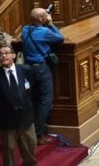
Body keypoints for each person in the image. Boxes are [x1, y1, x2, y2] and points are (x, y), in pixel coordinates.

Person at [0, 46, 36, 166]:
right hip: (7, 121)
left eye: (7, 53)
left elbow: (32, 90)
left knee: (29, 150)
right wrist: (4, 110)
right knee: (8, 153)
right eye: (1, 54)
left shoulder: (26, 70)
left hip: (26, 119)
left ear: (13, 55)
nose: (3, 56)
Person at [21, 8, 64, 144]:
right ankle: (39, 134)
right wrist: (50, 23)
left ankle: (30, 131)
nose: (47, 17)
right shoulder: (45, 32)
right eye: (45, 16)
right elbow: (60, 38)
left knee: (33, 99)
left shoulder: (25, 30)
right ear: (40, 19)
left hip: (28, 69)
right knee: (46, 100)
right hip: (41, 68)